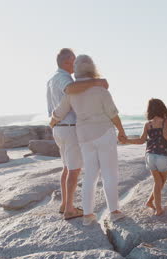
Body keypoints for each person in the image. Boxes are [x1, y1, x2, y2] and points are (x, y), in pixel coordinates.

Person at [51, 54, 127, 226]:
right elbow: (113, 114)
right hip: (104, 133)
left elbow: (60, 111)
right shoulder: (100, 88)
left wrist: (52, 122)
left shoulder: (72, 91)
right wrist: (121, 132)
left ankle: (87, 215)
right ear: (92, 67)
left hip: (84, 136)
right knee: (109, 173)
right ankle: (114, 212)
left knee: (90, 175)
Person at [46, 48, 108, 220]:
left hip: (59, 127)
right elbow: (71, 89)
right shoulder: (63, 78)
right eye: (73, 60)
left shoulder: (51, 80)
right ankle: (69, 210)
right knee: (74, 170)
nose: (76, 64)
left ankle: (65, 204)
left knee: (67, 167)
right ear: (66, 62)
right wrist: (96, 83)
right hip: (68, 127)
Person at [125, 98, 167, 216]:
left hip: (149, 155)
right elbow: (166, 135)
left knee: (157, 181)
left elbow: (141, 140)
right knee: (161, 181)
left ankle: (150, 202)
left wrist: (126, 140)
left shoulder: (148, 124)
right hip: (162, 155)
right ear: (162, 107)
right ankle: (158, 208)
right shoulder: (165, 121)